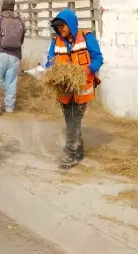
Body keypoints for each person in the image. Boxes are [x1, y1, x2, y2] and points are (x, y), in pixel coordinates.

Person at [46, 9, 103, 168]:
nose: (60, 30)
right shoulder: (55, 41)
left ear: (70, 24)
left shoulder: (86, 37)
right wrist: (53, 73)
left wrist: (89, 69)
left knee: (73, 121)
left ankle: (69, 154)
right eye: (57, 28)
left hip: (81, 88)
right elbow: (50, 61)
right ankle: (78, 151)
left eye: (62, 26)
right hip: (64, 90)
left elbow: (98, 58)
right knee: (70, 120)